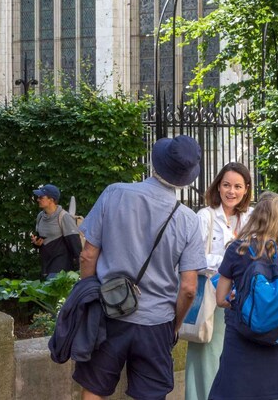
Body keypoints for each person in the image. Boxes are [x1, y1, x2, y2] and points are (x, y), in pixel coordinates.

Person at [75, 136, 207, 400]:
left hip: (109, 313)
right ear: (186, 178)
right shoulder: (189, 220)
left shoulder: (114, 193)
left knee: (94, 388)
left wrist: (89, 297)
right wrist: (174, 325)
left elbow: (87, 255)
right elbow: (190, 289)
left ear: (154, 163)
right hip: (157, 323)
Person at [186, 164, 278, 400]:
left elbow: (273, 218)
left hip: (233, 304)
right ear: (217, 187)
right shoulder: (205, 216)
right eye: (226, 185)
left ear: (246, 190)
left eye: (237, 186)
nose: (231, 191)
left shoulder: (249, 218)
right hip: (215, 305)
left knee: (228, 375)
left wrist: (231, 265)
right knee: (207, 361)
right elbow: (193, 256)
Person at [209, 193, 278, 400]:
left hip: (240, 349)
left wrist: (242, 302)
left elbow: (220, 299)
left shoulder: (237, 250)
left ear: (256, 216)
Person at [31, 184, 82, 278]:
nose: (38, 199)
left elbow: (75, 244)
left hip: (61, 266)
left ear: (51, 200)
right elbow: (40, 238)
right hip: (46, 263)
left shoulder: (64, 217)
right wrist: (36, 243)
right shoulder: (40, 216)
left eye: (41, 197)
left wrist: (80, 268)